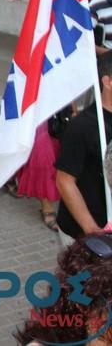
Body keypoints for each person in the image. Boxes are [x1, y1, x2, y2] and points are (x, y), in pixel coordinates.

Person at [55, 52, 112, 247]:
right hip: (83, 233)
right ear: (107, 82)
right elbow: (64, 181)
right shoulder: (83, 126)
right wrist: (92, 231)